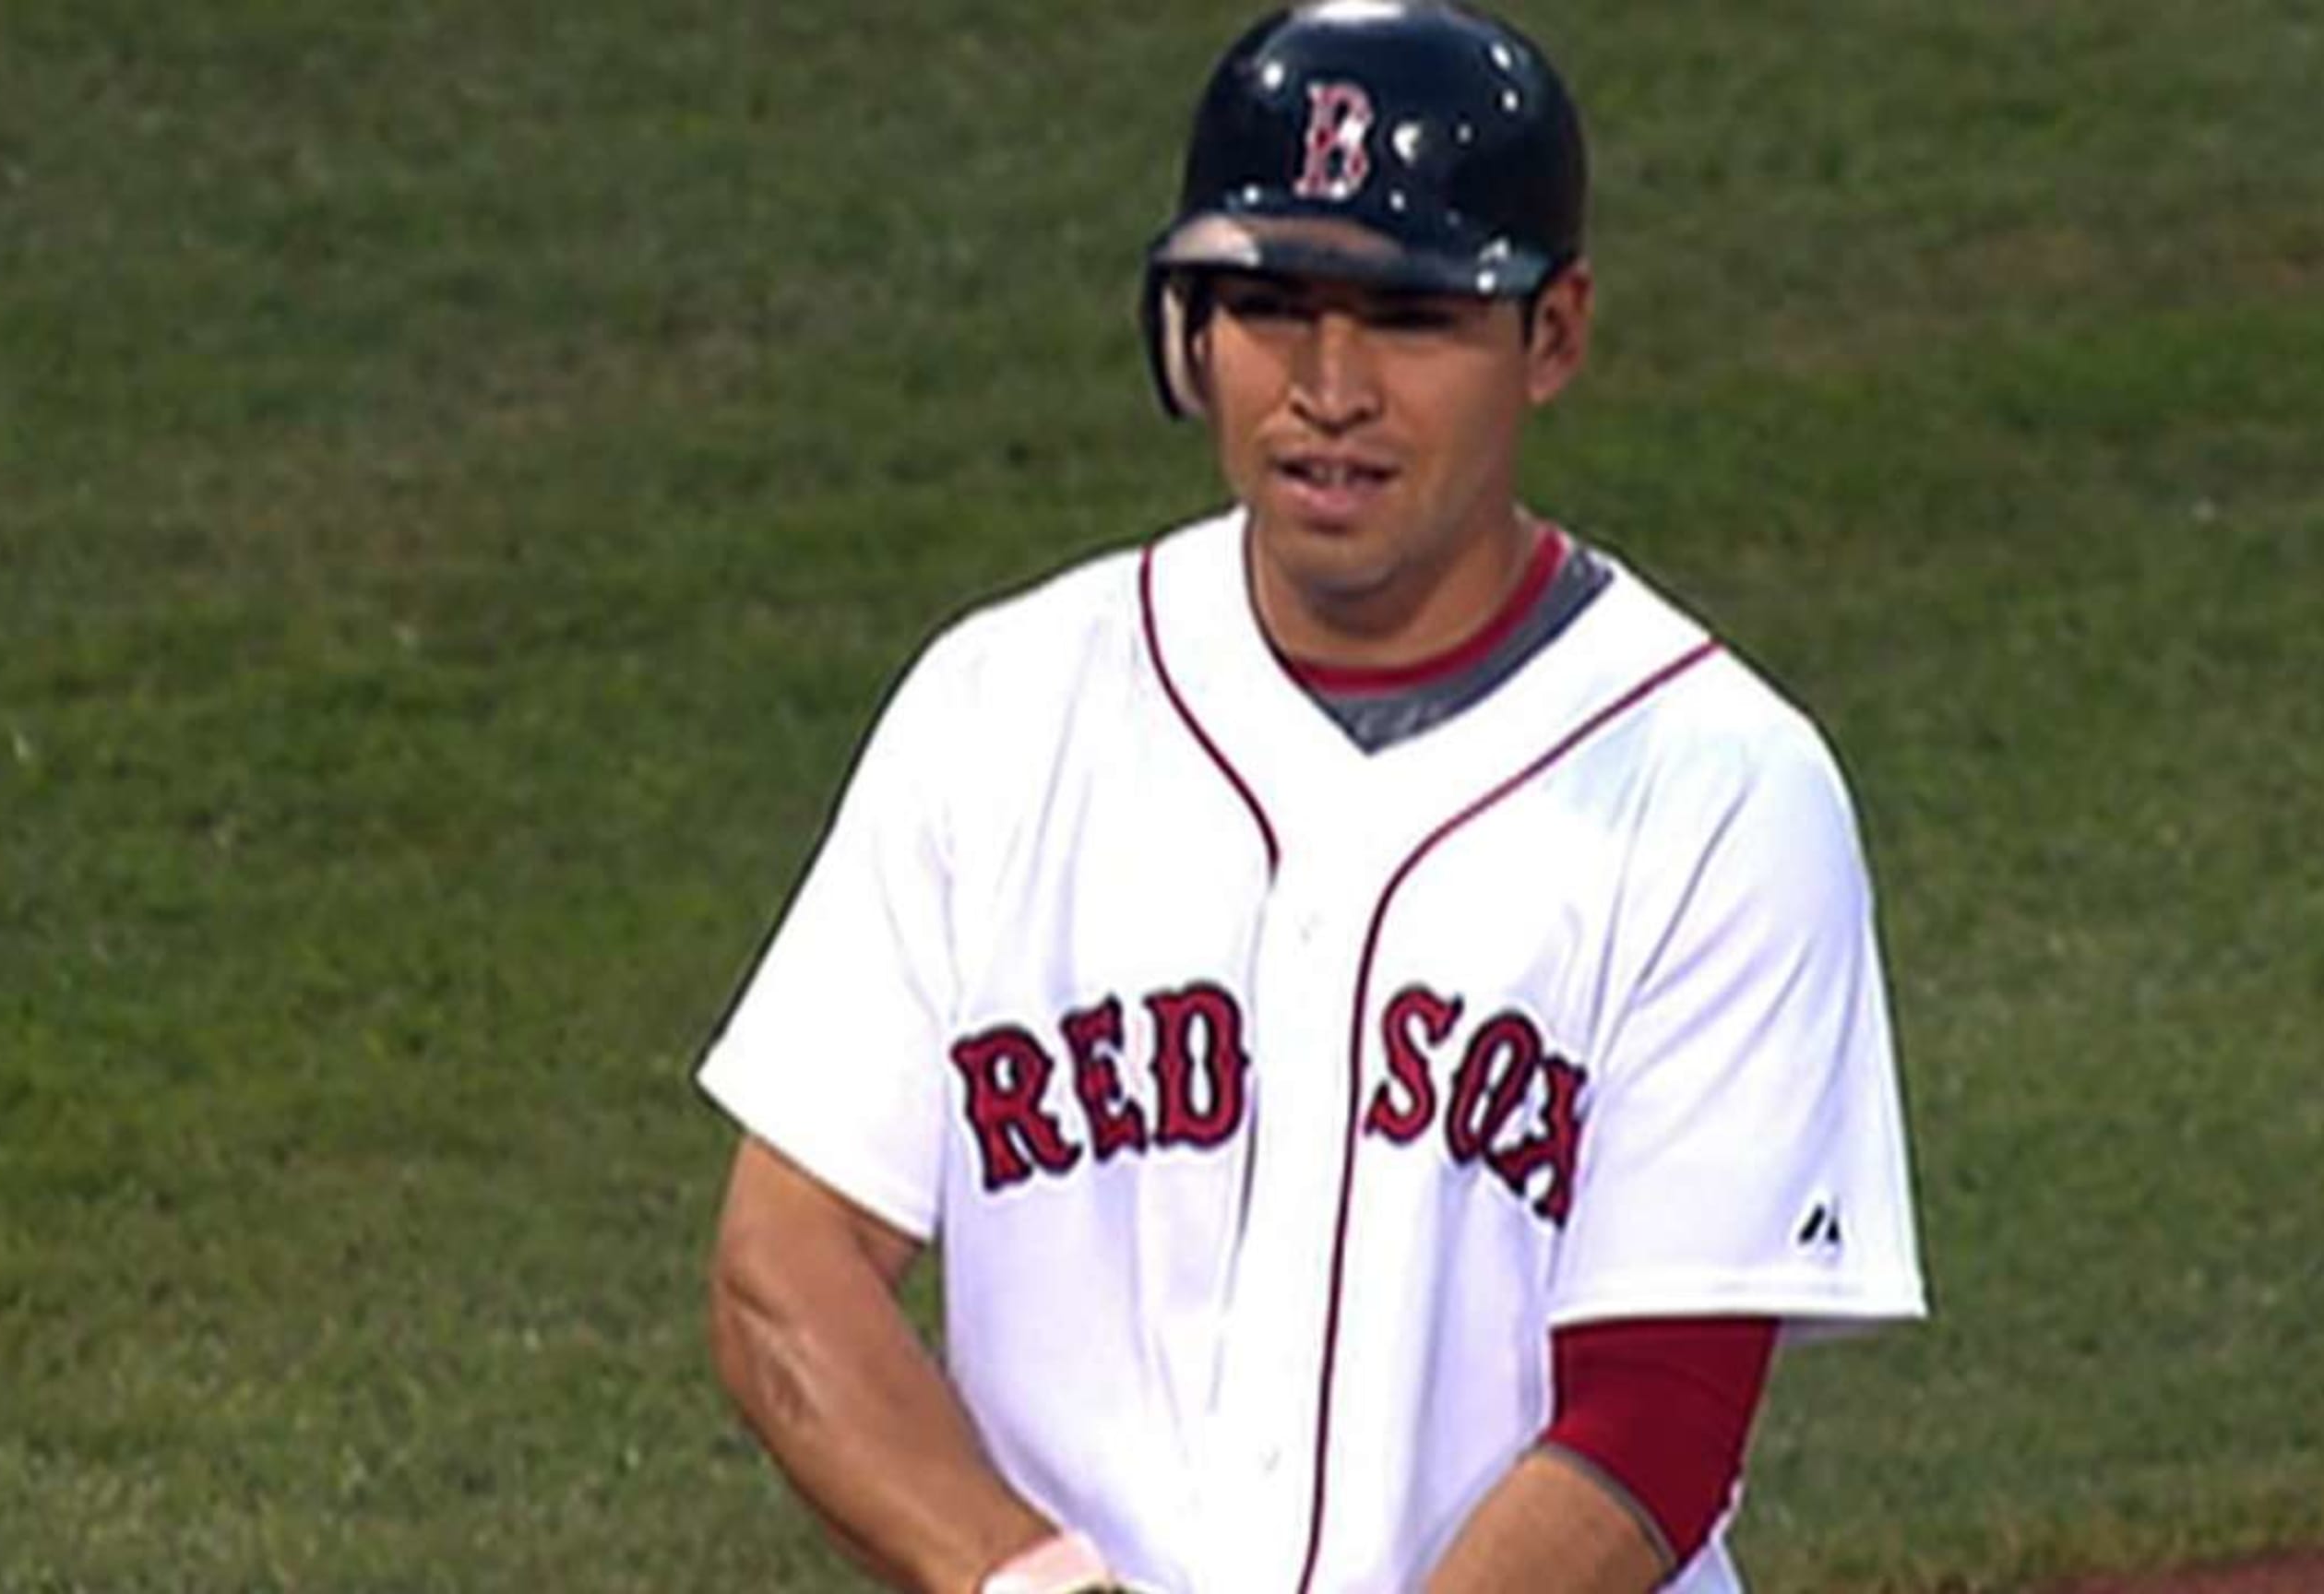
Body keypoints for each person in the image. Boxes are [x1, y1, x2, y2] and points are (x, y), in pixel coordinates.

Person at [697, 4, 1926, 1589]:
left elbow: (1656, 1425)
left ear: (1551, 336)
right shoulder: (1000, 714)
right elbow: (784, 1270)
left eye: (1412, 318)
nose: (1327, 388)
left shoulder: (1720, 793)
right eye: (1270, 307)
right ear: (1188, 332)